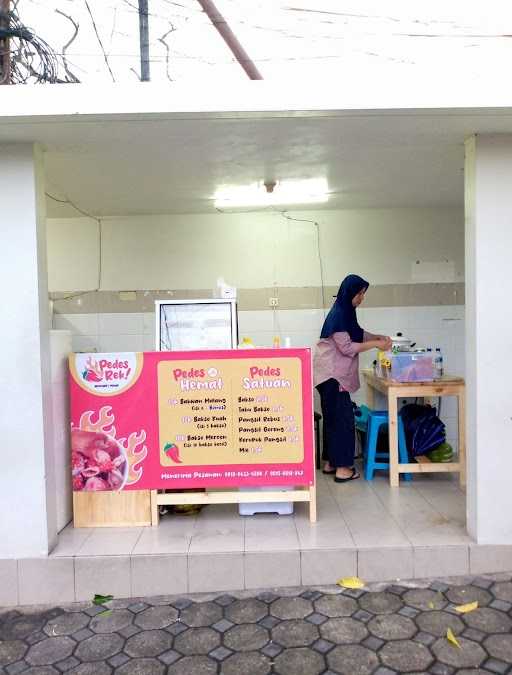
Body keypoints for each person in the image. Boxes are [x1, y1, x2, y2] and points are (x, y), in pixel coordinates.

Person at [314, 275, 392, 483]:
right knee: (344, 421)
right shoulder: (339, 315)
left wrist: (377, 337)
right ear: (350, 293)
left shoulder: (345, 313)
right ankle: (343, 469)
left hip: (327, 376)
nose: (361, 298)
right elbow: (347, 347)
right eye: (359, 294)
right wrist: (376, 344)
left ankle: (332, 463)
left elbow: (357, 333)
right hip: (333, 376)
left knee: (333, 419)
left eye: (363, 294)